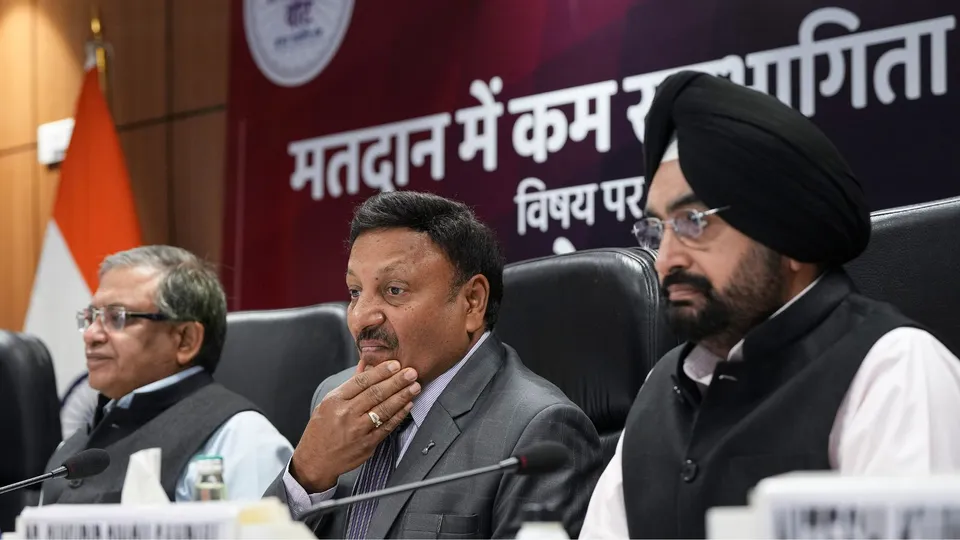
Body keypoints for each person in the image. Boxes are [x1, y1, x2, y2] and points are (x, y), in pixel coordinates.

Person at [579, 71, 960, 539]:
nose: (666, 259)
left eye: (693, 222)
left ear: (789, 238)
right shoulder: (660, 392)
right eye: (657, 230)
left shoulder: (892, 373)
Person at [265, 191, 604, 539]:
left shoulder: (539, 430)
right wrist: (306, 474)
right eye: (355, 291)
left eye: (394, 290)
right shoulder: (336, 401)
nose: (361, 316)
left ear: (472, 302)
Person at [41, 246, 292, 504]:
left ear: (185, 339)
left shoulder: (241, 441)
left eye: (117, 317)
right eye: (90, 317)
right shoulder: (72, 449)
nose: (91, 335)